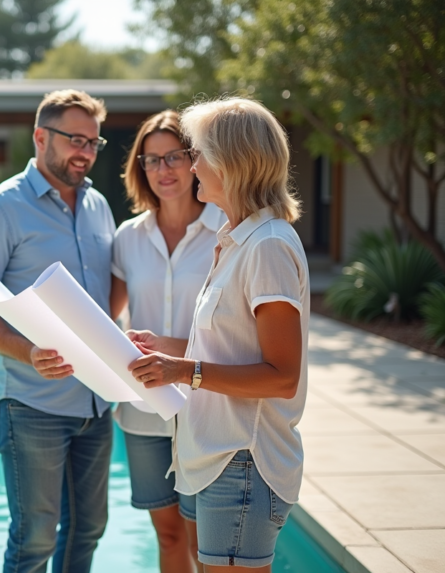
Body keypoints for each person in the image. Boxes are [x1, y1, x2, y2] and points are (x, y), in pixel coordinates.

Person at [127, 97, 309, 572]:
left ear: (233, 162)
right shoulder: (237, 241)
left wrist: (181, 371)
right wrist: (161, 347)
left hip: (244, 461)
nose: (194, 164)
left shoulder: (267, 246)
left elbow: (281, 377)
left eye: (200, 153)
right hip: (222, 461)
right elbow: (226, 344)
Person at [0, 89, 116, 573]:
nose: (85, 152)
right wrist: (29, 352)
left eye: (94, 142)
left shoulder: (99, 206)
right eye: (75, 139)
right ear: (40, 136)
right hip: (33, 405)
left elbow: (108, 293)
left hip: (97, 401)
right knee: (33, 542)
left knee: (87, 530)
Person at [110, 110, 225, 573]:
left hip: (205, 407)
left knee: (204, 541)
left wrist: (170, 345)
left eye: (174, 156)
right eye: (151, 159)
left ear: (195, 159)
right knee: (169, 532)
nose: (164, 170)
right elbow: (104, 317)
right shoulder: (127, 238)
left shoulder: (227, 230)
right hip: (144, 410)